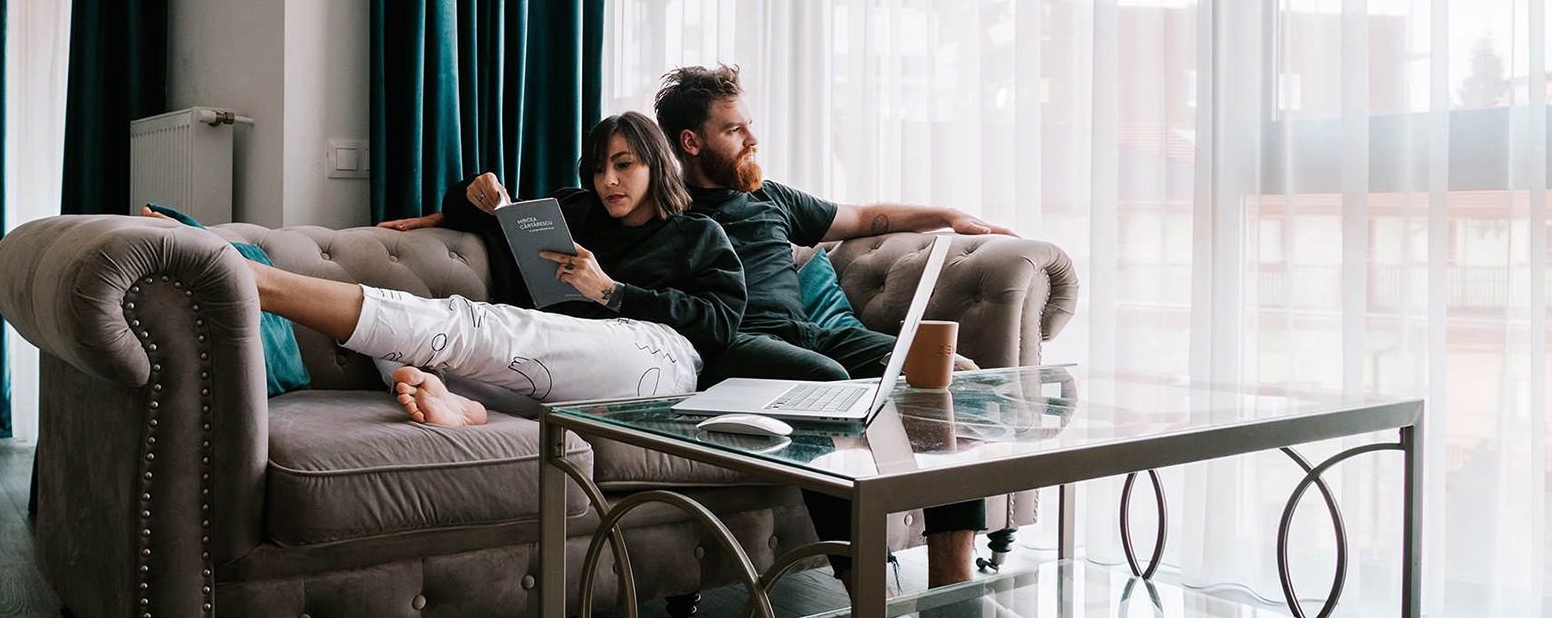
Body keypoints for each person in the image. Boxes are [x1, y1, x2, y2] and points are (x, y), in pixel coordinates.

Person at [653, 64, 1017, 591]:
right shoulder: (665, 212)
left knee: (942, 378)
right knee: (825, 382)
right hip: (738, 343)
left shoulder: (769, 197)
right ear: (690, 141)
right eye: (734, 130)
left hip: (813, 332)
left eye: (749, 124)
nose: (752, 138)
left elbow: (868, 217)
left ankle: (951, 589)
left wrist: (950, 215)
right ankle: (866, 593)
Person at [156, 111, 745, 426]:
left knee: (474, 325)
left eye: (624, 165)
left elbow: (719, 324)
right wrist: (482, 194)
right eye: (598, 168)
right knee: (409, 348)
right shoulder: (575, 212)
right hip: (561, 368)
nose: (608, 181)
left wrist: (612, 291)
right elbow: (477, 213)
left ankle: (256, 281)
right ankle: (466, 405)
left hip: (658, 358)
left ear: (657, 164)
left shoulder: (698, 235)